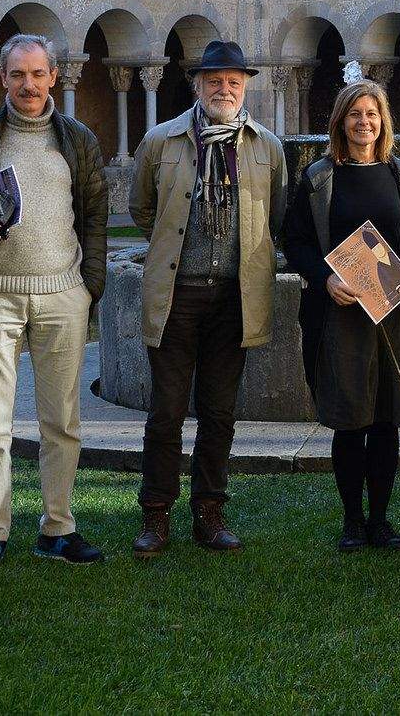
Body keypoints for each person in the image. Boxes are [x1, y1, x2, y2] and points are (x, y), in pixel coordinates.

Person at [0, 33, 109, 574]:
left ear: (54, 77)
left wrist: (91, 286)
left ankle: (57, 527)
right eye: (17, 75)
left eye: (38, 74)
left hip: (62, 294)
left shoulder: (77, 140)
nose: (28, 85)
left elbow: (95, 217)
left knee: (62, 421)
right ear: (2, 79)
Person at [128, 40, 289, 555]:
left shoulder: (267, 146)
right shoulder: (161, 140)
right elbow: (141, 209)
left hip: (233, 297)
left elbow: (277, 214)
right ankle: (156, 516)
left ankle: (210, 514)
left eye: (234, 82)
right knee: (167, 410)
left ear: (245, 88)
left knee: (220, 412)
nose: (225, 89)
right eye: (215, 80)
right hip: (177, 293)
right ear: (197, 85)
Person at [281, 76, 400, 551]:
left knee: (386, 419)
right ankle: (351, 520)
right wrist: (325, 279)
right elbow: (297, 241)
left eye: (372, 114)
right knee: (350, 419)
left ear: (383, 120)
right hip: (341, 313)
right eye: (355, 114)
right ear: (340, 121)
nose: (364, 122)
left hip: (395, 311)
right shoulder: (319, 178)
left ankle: (381, 520)